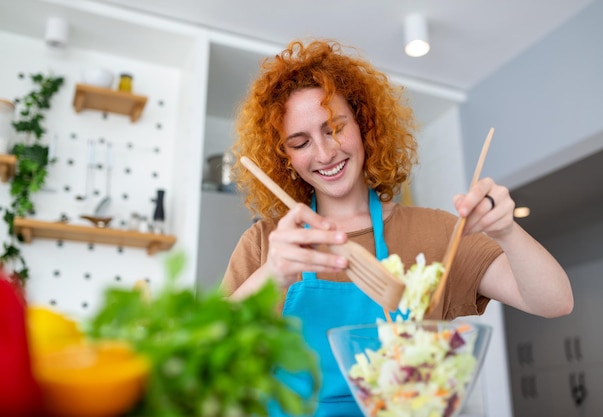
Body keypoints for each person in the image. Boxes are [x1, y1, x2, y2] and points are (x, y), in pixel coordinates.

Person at [220, 39, 573, 416]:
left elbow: (555, 301)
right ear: (285, 158)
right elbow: (212, 358)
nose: (324, 154)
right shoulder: (266, 243)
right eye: (300, 142)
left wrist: (506, 230)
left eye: (334, 128)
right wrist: (273, 275)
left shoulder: (436, 232)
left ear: (364, 125)